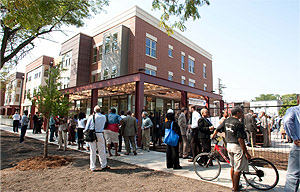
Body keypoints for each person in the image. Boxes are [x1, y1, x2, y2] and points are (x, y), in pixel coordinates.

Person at [212, 107, 251, 192]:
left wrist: (213, 135)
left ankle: (234, 185)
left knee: (233, 166)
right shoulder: (239, 124)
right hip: (236, 146)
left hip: (228, 145)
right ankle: (236, 189)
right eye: (241, 112)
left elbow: (218, 128)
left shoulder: (227, 120)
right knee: (238, 169)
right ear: (237, 113)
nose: (242, 114)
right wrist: (246, 152)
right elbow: (240, 139)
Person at [84, 105, 110, 171]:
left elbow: (87, 127)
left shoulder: (91, 117)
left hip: (92, 134)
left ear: (94, 111)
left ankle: (92, 166)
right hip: (100, 133)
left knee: (92, 151)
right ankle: (103, 164)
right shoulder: (103, 117)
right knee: (102, 150)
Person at [283, 95, 300, 192]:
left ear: (298, 100)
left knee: (293, 175)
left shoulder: (293, 110)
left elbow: (287, 120)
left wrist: (294, 137)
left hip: (298, 144)